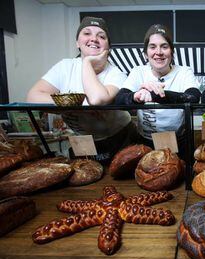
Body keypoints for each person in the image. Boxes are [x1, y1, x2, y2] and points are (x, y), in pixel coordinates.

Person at [26, 16, 138, 163]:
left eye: (101, 36)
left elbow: (97, 100)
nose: (94, 39)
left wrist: (86, 62)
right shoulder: (65, 67)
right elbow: (33, 96)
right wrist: (71, 106)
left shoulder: (116, 74)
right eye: (87, 33)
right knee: (84, 179)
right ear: (77, 43)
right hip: (81, 137)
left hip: (120, 137)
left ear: (108, 47)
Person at [114, 24, 201, 155]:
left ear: (171, 52)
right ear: (145, 53)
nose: (158, 52)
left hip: (178, 142)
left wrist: (155, 94)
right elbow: (120, 100)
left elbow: (193, 97)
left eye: (164, 47)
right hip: (144, 142)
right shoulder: (138, 71)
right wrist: (136, 96)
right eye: (152, 47)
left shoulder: (184, 71)